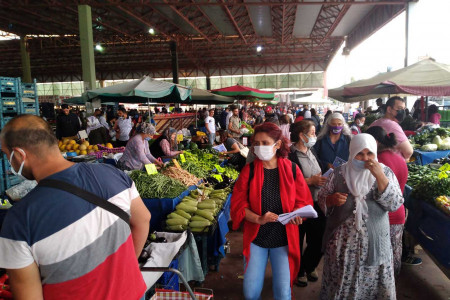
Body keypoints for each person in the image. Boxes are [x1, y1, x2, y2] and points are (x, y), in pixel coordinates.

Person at [0, 115, 150, 300]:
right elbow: (143, 220)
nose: (9, 162)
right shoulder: (112, 174)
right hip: (133, 293)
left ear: (20, 155)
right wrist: (126, 269)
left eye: (7, 156)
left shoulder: (19, 219)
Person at [230, 122, 313, 300]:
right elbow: (238, 204)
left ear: (278, 144)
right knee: (251, 292)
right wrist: (258, 219)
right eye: (256, 143)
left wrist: (298, 214)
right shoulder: (249, 171)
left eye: (265, 143)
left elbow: (303, 200)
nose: (260, 147)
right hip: (257, 237)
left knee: (283, 293)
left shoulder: (292, 169)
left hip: (283, 238)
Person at [318, 133, 403, 300]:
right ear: (352, 153)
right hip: (342, 247)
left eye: (369, 153)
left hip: (375, 243)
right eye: (360, 154)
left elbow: (394, 204)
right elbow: (322, 197)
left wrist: (379, 176)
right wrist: (331, 200)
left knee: (373, 284)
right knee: (340, 280)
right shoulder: (339, 173)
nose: (365, 158)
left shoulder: (385, 172)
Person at [288, 121, 327, 287]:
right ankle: (299, 271)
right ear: (301, 135)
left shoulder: (311, 151)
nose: (314, 136)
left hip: (316, 201)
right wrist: (310, 180)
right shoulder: (290, 154)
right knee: (297, 239)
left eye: (314, 132)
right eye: (311, 133)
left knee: (319, 239)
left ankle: (309, 265)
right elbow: (287, 181)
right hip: (299, 205)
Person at [366, 126, 408, 277]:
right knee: (394, 256)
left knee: (380, 262)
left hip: (384, 217)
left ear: (375, 143)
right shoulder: (398, 156)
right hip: (399, 214)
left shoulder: (380, 162)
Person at [369, 96, 413, 161]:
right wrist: (406, 159)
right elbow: (409, 151)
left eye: (403, 109)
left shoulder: (376, 122)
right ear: (389, 109)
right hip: (391, 166)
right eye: (399, 108)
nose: (402, 112)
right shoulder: (392, 125)